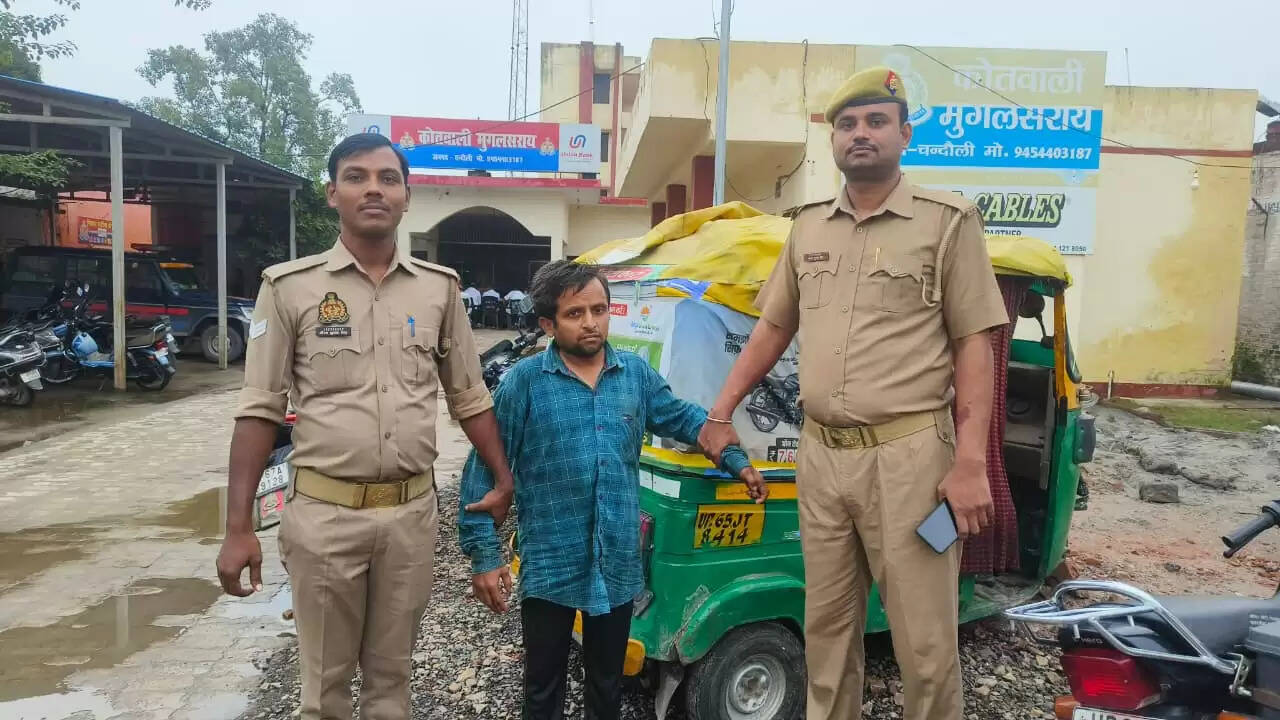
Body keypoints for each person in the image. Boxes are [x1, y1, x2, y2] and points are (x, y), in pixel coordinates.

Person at [698, 66, 1009, 720]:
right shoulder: (809, 227)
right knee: (828, 633)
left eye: (875, 121)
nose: (860, 133)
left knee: (924, 643)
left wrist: (970, 462)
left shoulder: (947, 222)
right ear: (833, 139)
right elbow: (773, 328)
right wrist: (720, 411)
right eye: (846, 124)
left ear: (905, 134)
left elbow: (974, 344)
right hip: (821, 459)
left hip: (911, 462)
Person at [216, 133, 515, 720]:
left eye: (388, 178)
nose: (373, 189)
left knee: (391, 686)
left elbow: (469, 396)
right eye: (356, 177)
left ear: (407, 196)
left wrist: (502, 477)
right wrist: (237, 527)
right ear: (333, 193)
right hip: (324, 517)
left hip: (410, 518)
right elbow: (259, 409)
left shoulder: (439, 289)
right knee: (324, 692)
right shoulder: (289, 288)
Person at [459, 260, 768, 720]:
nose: (591, 323)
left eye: (599, 310)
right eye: (574, 313)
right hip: (551, 562)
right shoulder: (525, 383)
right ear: (548, 324)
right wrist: (485, 555)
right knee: (542, 690)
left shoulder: (635, 376)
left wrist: (735, 460)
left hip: (617, 563)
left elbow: (684, 418)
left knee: (607, 687)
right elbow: (483, 469)